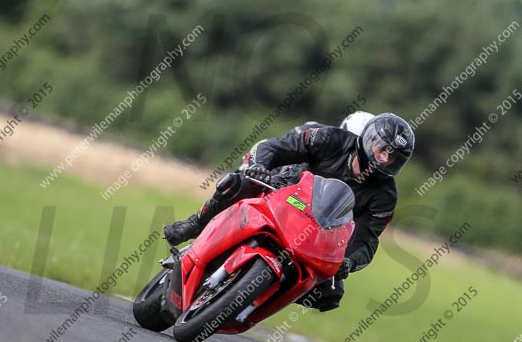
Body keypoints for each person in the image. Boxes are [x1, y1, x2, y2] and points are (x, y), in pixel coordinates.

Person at [163, 112, 415, 311]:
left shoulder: (386, 195)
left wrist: (348, 261)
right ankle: (195, 224)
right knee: (237, 182)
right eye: (383, 150)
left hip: (320, 234)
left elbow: (367, 240)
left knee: (330, 294)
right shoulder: (330, 139)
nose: (384, 159)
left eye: (393, 158)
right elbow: (275, 147)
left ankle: (257, 297)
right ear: (370, 140)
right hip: (284, 191)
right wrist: (260, 166)